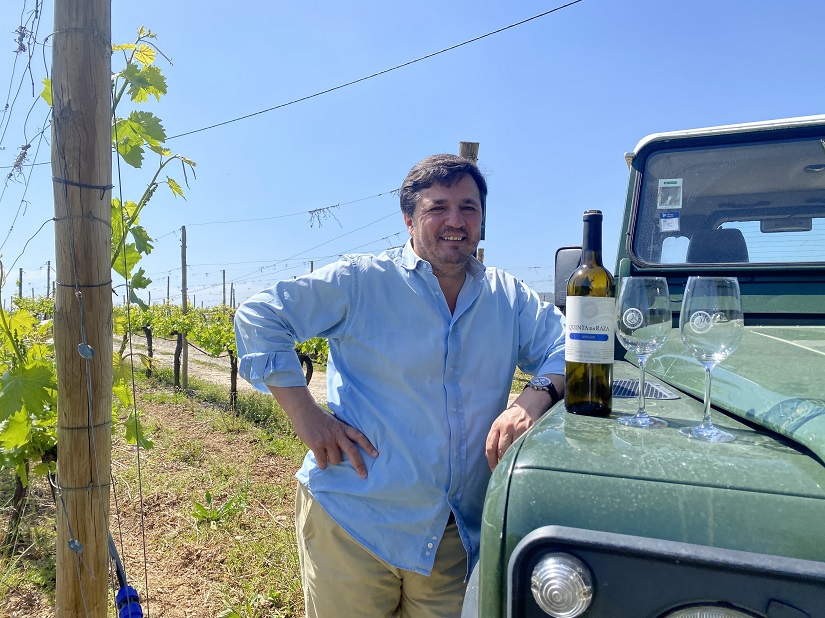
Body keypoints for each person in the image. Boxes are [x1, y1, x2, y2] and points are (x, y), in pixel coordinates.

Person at [234, 154, 565, 617]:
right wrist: (307, 418)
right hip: (355, 525)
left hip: (451, 538)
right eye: (438, 208)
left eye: (468, 208)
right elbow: (259, 316)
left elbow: (573, 342)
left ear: (482, 220)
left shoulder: (507, 297)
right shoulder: (362, 281)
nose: (455, 221)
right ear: (409, 219)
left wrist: (536, 394)